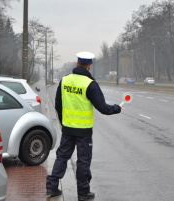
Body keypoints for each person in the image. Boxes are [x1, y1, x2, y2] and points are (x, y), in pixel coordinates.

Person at [46, 52, 121, 201]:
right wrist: (117, 108)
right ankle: (83, 192)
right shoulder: (90, 84)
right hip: (84, 132)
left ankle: (52, 187)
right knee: (83, 161)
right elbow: (103, 108)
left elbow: (58, 104)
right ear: (89, 66)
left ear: (76, 63)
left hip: (68, 128)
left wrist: (64, 122)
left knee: (62, 157)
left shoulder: (65, 80)